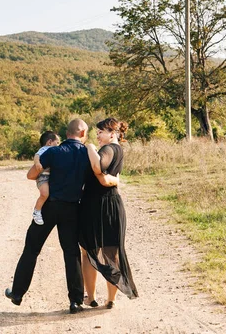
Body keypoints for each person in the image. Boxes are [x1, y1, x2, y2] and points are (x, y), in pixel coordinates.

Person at [5, 119, 91, 314]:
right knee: (71, 253)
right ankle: (76, 301)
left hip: (50, 206)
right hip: (72, 209)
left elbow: (31, 175)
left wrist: (41, 168)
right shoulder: (87, 153)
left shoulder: (54, 152)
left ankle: (17, 293)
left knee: (32, 248)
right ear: (83, 134)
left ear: (66, 133)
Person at [79, 118, 138, 309]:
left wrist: (89, 147)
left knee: (89, 251)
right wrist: (112, 180)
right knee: (111, 252)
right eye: (96, 132)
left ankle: (91, 297)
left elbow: (99, 167)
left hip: (97, 205)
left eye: (100, 132)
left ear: (112, 134)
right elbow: (107, 177)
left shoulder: (107, 149)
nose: (97, 135)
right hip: (110, 204)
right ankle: (110, 299)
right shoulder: (118, 150)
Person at [32, 131, 61, 225]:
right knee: (45, 194)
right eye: (57, 143)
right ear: (49, 142)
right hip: (43, 176)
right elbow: (37, 156)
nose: (58, 145)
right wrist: (37, 163)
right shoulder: (45, 149)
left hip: (50, 176)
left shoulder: (55, 152)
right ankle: (37, 211)